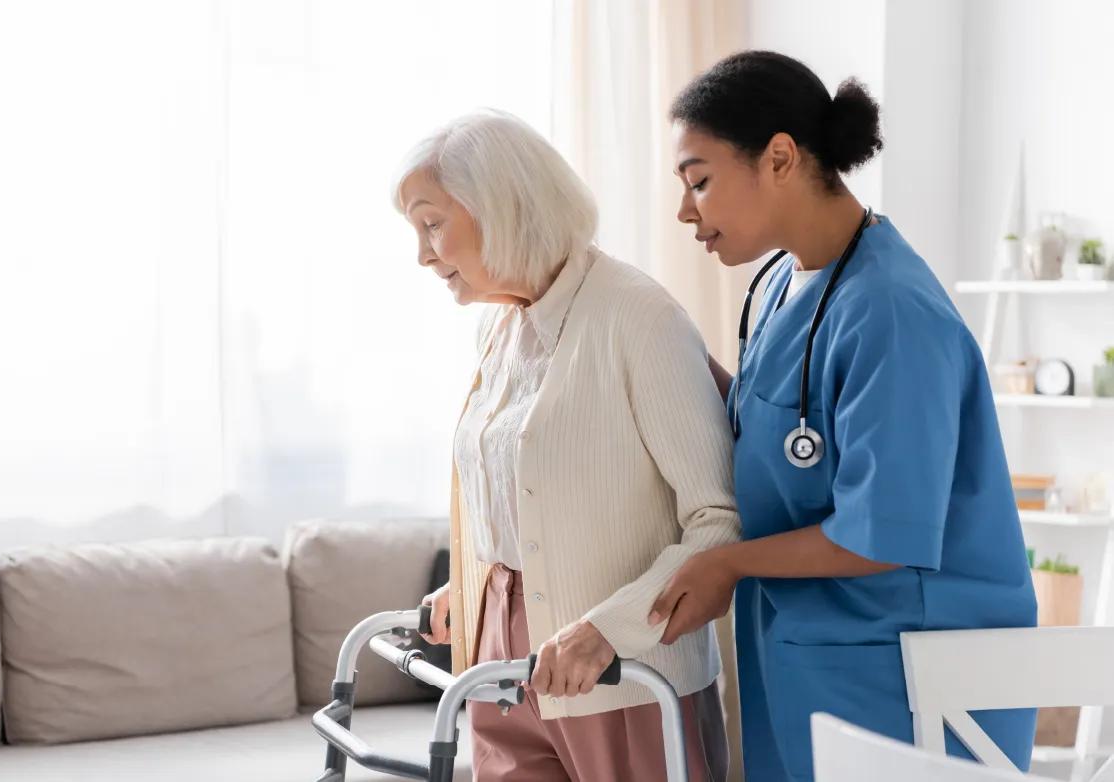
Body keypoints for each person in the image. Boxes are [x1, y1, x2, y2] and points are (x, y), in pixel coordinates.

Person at [647, 51, 1037, 781]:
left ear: (781, 158)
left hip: (908, 670)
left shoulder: (890, 312)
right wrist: (661, 360)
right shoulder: (779, 283)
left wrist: (725, 563)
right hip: (810, 652)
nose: (684, 210)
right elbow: (788, 429)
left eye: (700, 180)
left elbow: (877, 533)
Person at [393, 109, 739, 781]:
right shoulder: (500, 331)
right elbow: (515, 489)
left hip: (619, 668)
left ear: (501, 206)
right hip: (501, 666)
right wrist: (476, 588)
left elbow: (720, 522)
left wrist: (609, 628)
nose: (423, 254)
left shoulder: (639, 318)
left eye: (432, 224)